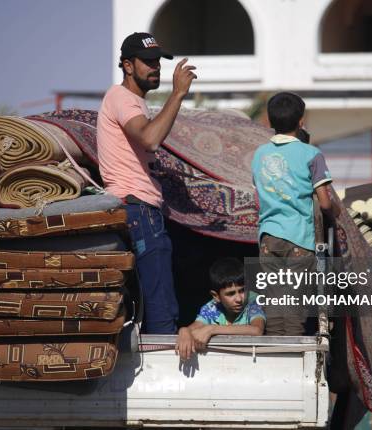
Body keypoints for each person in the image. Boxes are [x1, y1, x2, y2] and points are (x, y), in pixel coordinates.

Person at [97, 32, 197, 334]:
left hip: (138, 209)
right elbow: (150, 139)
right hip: (138, 210)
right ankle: (164, 376)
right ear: (128, 65)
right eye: (148, 62)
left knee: (151, 300)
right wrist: (178, 94)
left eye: (158, 62)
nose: (156, 67)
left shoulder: (133, 102)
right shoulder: (122, 98)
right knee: (161, 305)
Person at [251, 92, 336, 336]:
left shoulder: (259, 155)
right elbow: (325, 203)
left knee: (275, 308)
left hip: (268, 239)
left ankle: (276, 366)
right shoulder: (312, 154)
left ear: (269, 121)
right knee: (294, 311)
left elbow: (260, 192)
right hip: (300, 240)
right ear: (301, 121)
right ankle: (294, 367)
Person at [175, 257, 265, 360]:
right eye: (230, 294)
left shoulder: (253, 301)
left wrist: (211, 329)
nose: (239, 299)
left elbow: (257, 330)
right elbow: (193, 328)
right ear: (216, 296)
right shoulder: (212, 307)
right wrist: (184, 331)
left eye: (242, 290)